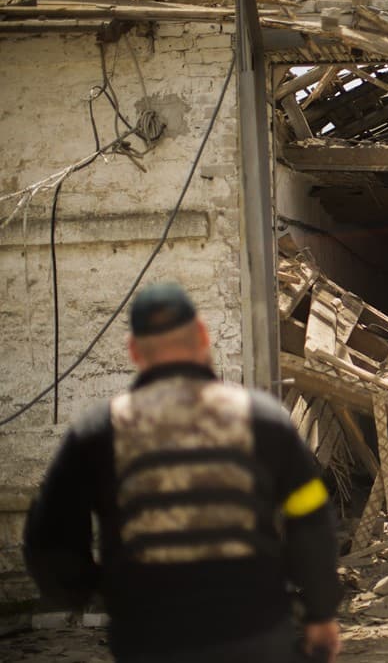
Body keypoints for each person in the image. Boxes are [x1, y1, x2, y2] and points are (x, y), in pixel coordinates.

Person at [23, 282, 343, 662]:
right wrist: (321, 612)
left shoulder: (97, 432)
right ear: (204, 336)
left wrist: (94, 590)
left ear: (134, 351)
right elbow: (311, 521)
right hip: (254, 634)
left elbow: (49, 538)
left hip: (150, 638)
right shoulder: (263, 420)